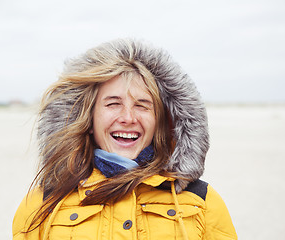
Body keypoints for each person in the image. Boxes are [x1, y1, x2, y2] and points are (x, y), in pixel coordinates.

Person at [12, 39, 237, 240]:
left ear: (160, 122)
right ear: (88, 119)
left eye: (142, 105)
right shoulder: (41, 203)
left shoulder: (201, 202)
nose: (128, 118)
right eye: (113, 104)